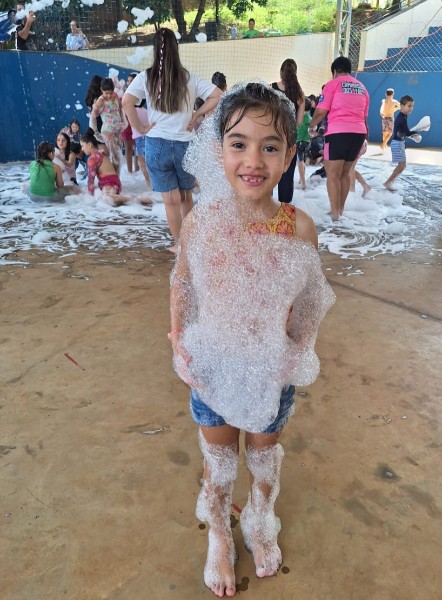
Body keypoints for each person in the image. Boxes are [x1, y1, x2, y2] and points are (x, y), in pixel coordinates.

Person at [169, 83, 335, 597]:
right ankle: (219, 534)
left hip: (271, 369)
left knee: (263, 458)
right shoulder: (202, 222)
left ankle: (260, 521)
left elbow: (309, 300)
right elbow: (181, 282)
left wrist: (298, 351)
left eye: (270, 146)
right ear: (218, 150)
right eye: (238, 144)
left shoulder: (297, 227)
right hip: (213, 363)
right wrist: (179, 339)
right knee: (218, 464)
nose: (253, 160)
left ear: (289, 155)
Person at [122, 27, 222, 252]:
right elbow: (217, 95)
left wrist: (140, 128)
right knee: (186, 196)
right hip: (185, 144)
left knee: (170, 200)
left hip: (157, 144)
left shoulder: (146, 77)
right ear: (176, 50)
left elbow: (126, 101)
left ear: (155, 49)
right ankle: (192, 243)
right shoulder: (188, 77)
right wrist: (197, 115)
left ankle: (179, 245)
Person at [309, 56, 369, 221]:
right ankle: (340, 210)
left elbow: (321, 111)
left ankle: (335, 213)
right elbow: (364, 116)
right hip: (358, 133)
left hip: (338, 133)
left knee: (333, 174)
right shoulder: (362, 88)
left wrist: (311, 125)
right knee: (345, 173)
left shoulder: (332, 84)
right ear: (349, 70)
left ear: (334, 71)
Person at [271, 58, 305, 202]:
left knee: (268, 173)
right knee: (287, 177)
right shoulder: (299, 94)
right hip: (289, 139)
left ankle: (266, 209)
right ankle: (284, 211)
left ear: (281, 72)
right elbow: (299, 122)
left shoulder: (271, 88)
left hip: (272, 137)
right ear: (295, 73)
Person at [90, 77, 126, 175]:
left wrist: (124, 124)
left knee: (117, 157)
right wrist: (95, 132)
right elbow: (93, 116)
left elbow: (121, 111)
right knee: (116, 156)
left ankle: (115, 179)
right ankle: (112, 179)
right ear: (101, 90)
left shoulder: (116, 96)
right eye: (106, 93)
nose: (109, 95)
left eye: (111, 92)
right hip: (107, 130)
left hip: (118, 129)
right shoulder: (100, 101)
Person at [383, 95, 418, 191]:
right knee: (402, 165)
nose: (411, 108)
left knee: (402, 165)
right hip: (397, 144)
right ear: (402, 106)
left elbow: (403, 133)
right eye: (409, 106)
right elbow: (406, 132)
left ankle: (390, 182)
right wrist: (416, 132)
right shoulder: (401, 118)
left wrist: (405, 140)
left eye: (412, 106)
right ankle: (388, 182)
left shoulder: (404, 116)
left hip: (399, 143)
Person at [121, 72, 139, 174]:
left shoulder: (140, 93)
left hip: (136, 122)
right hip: (126, 123)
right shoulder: (123, 93)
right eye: (128, 81)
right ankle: (129, 171)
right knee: (128, 147)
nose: (129, 83)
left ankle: (137, 170)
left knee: (137, 148)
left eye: (131, 81)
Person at [296, 97, 311, 190]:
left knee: (300, 161)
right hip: (307, 141)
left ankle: (303, 182)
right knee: (303, 160)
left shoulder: (299, 117)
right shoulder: (309, 118)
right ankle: (301, 180)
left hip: (300, 141)